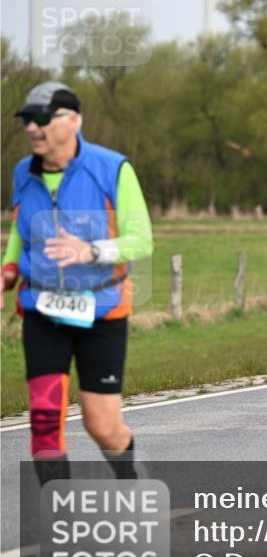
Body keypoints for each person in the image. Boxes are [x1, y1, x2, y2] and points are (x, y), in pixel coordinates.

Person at [1, 82, 153, 485]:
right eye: (27, 121)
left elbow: (142, 239)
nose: (32, 129)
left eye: (41, 120)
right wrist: (8, 269)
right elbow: (20, 228)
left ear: (73, 121)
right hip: (42, 309)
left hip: (101, 310)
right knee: (45, 424)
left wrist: (91, 250)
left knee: (101, 425)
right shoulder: (23, 173)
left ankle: (129, 478)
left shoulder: (112, 168)